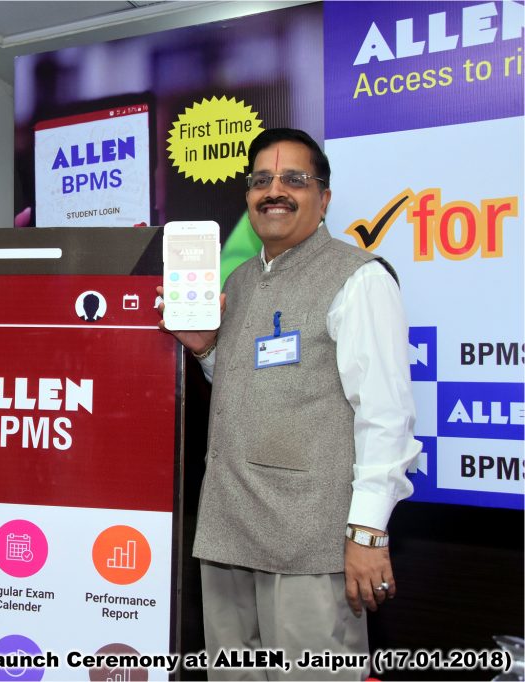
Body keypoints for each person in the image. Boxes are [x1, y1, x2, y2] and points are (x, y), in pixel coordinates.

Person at [159, 128, 420, 680]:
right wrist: (206, 350)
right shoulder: (238, 281)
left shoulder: (359, 278)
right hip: (228, 530)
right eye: (261, 181)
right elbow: (254, 384)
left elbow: (386, 415)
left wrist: (368, 534)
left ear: (323, 198)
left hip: (309, 542)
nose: (274, 191)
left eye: (293, 180)